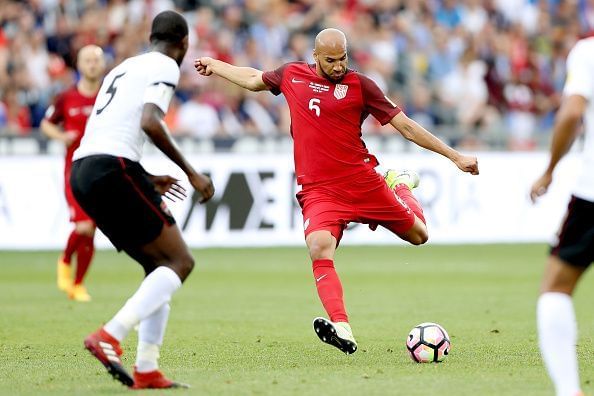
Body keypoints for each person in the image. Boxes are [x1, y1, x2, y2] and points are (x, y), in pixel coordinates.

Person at [195, 28, 479, 355]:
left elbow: (407, 126)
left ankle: (399, 182)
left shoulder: (362, 86)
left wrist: (455, 156)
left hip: (361, 181)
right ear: (315, 57)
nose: (338, 66)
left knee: (419, 235)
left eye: (342, 58)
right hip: (319, 190)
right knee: (318, 247)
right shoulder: (292, 74)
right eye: (330, 61)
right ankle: (342, 327)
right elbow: (253, 78)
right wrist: (216, 64)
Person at [71, 11, 214, 388]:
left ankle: (147, 367)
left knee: (159, 266)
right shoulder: (166, 65)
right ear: (183, 43)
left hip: (85, 169)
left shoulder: (123, 68)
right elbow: (150, 122)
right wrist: (191, 172)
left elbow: (108, 128)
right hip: (111, 168)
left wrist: (145, 177)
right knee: (180, 261)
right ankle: (109, 335)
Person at [530, 36, 594, 396]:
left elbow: (571, 113)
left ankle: (570, 391)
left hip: (592, 193)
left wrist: (550, 169)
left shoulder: (587, 52)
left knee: (556, 286)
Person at [41, 45, 105, 302]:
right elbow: (46, 124)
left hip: (101, 172)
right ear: (78, 65)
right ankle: (66, 259)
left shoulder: (108, 97)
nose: (91, 64)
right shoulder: (66, 97)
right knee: (84, 225)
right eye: (87, 60)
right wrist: (62, 135)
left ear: (102, 66)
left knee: (92, 229)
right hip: (74, 172)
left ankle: (78, 284)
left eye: (96, 60)